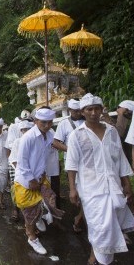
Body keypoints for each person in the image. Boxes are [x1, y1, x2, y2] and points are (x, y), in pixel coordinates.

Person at [66, 93, 134, 265]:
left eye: (97, 109)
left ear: (102, 110)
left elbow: (120, 159)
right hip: (91, 188)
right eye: (89, 109)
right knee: (99, 226)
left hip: (112, 186)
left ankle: (97, 256)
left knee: (109, 225)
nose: (93, 112)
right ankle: (97, 259)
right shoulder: (77, 135)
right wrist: (72, 189)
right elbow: (72, 164)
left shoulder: (111, 132)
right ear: (83, 111)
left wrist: (127, 184)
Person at [13, 108, 65, 255]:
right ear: (36, 121)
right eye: (43, 122)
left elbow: (45, 156)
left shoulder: (49, 136)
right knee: (29, 211)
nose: (47, 125)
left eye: (50, 122)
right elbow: (22, 163)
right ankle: (32, 237)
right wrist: (31, 180)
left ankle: (39, 218)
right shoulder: (28, 138)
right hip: (26, 180)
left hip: (41, 177)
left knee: (49, 201)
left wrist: (42, 175)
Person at [53, 99, 85, 231]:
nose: (78, 113)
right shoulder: (64, 124)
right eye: (75, 111)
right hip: (72, 162)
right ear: (70, 110)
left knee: (86, 191)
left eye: (79, 110)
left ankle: (81, 216)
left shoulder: (87, 121)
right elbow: (56, 142)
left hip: (89, 161)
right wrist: (70, 149)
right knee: (77, 190)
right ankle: (81, 215)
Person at [8, 120, 33, 221]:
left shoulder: (34, 141)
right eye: (24, 129)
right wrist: (23, 173)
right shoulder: (17, 142)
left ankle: (31, 218)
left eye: (29, 129)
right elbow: (14, 160)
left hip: (30, 171)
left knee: (30, 193)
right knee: (16, 190)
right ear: (21, 130)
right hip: (17, 168)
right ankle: (15, 210)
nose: (26, 131)